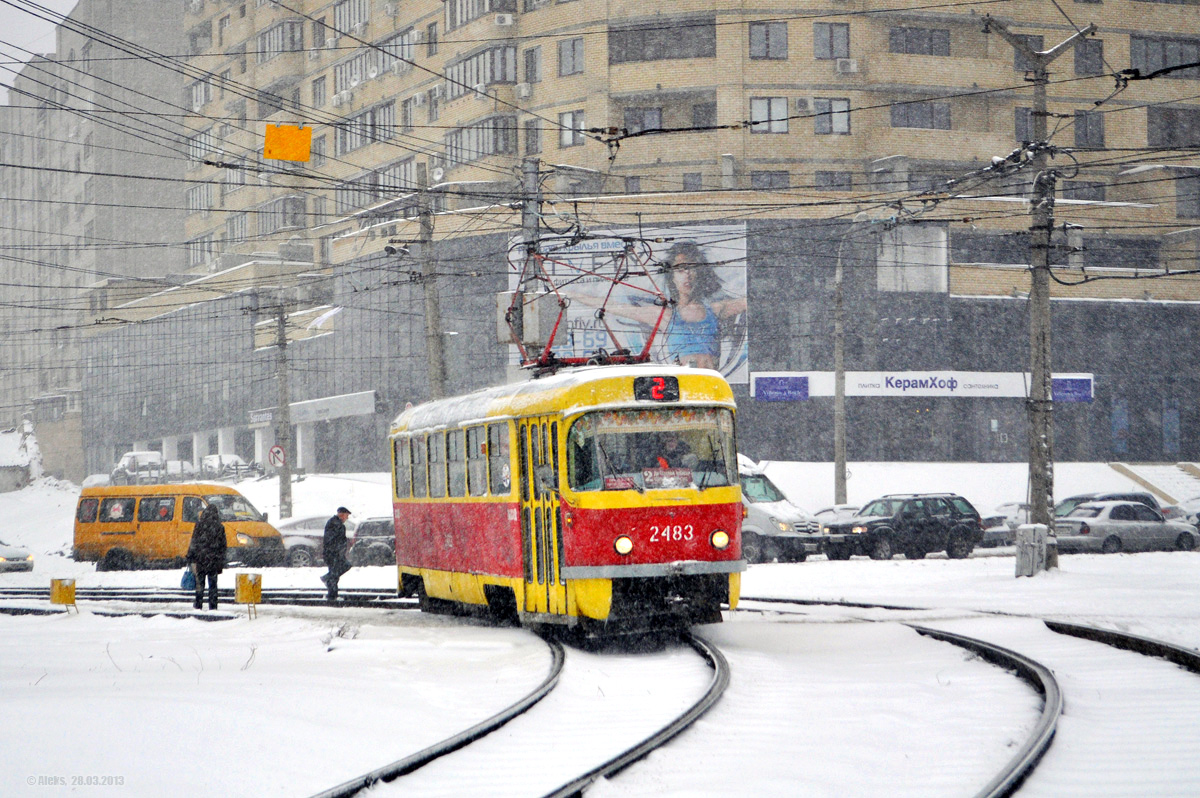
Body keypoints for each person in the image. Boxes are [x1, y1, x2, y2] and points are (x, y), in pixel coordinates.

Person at [187, 504, 227, 610]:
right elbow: (223, 546)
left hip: (201, 560)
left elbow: (194, 541)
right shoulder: (219, 527)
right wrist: (221, 560)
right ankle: (213, 606)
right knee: (213, 586)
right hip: (213, 561)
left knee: (200, 585)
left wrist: (190, 556)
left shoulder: (199, 525)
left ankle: (198, 604)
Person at [321, 507, 352, 602]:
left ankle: (332, 593)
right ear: (341, 514)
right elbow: (331, 540)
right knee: (335, 573)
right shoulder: (335, 524)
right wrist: (337, 550)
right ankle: (332, 595)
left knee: (337, 572)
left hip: (336, 553)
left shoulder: (337, 524)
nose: (347, 518)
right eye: (346, 516)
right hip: (333, 554)